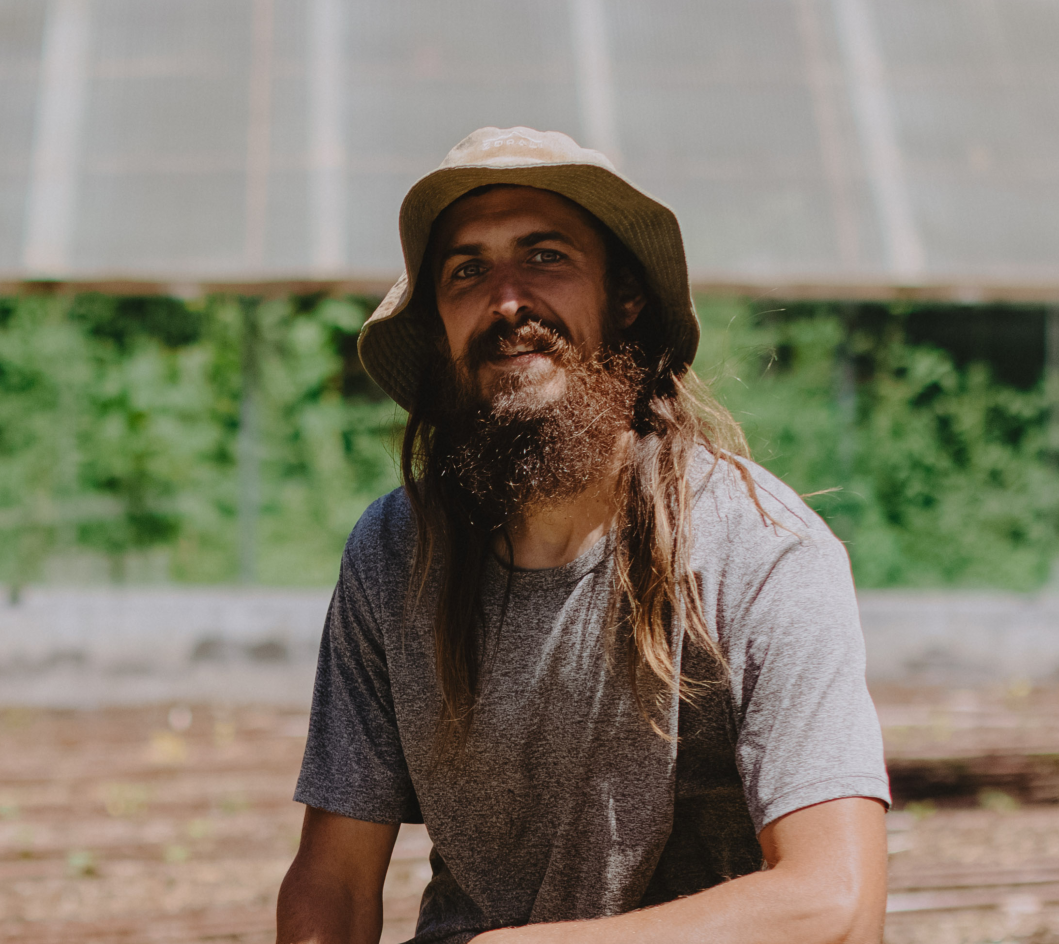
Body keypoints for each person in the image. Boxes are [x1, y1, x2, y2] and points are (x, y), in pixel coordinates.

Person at [277, 127, 890, 944]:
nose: (506, 303)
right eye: (467, 271)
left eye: (544, 257)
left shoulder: (757, 549)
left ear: (624, 299)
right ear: (438, 327)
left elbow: (837, 902)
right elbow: (334, 879)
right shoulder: (398, 553)